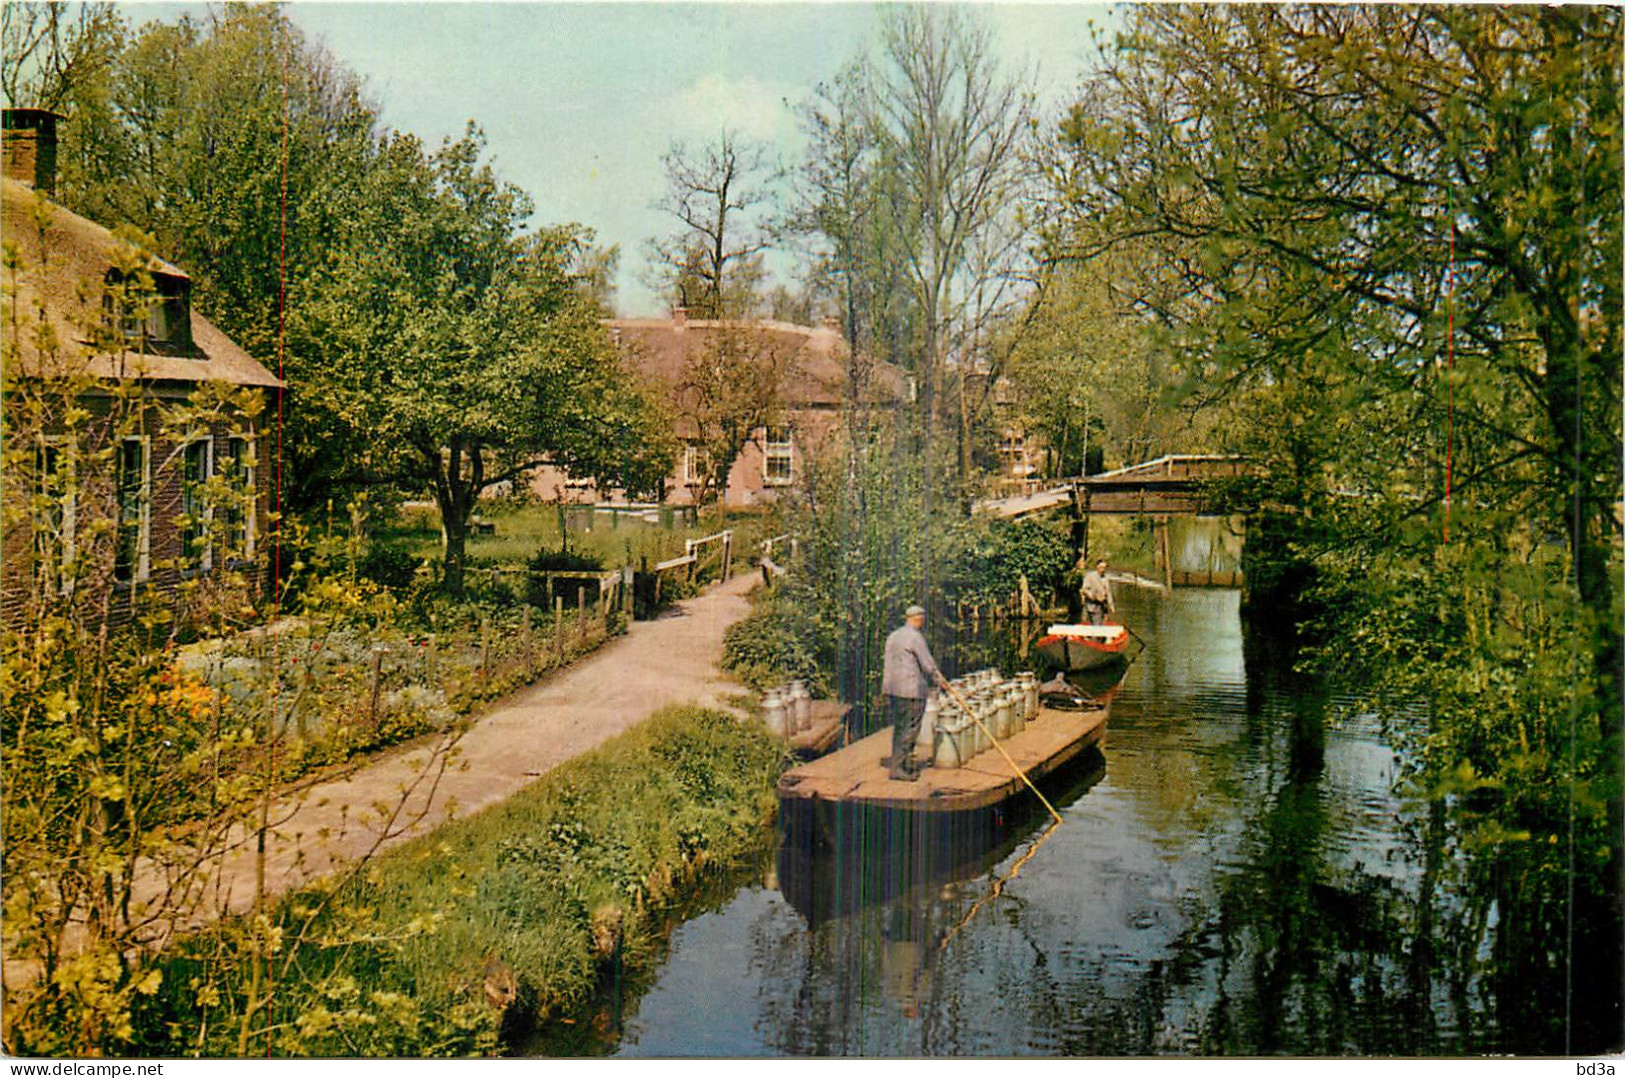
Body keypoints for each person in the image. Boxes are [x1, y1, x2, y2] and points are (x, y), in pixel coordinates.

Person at [881, 604, 948, 781]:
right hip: (911, 690)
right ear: (918, 618)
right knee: (910, 728)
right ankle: (898, 769)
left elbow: (887, 664)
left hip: (894, 690)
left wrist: (885, 689)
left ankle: (900, 764)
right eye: (922, 619)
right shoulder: (915, 637)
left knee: (900, 727)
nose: (923, 622)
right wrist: (941, 681)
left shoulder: (893, 636)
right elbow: (927, 664)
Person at [1080, 557, 1114, 625]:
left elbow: (1108, 592)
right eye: (1101, 567)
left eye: (1104, 568)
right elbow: (1084, 589)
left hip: (1102, 606)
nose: (1103, 570)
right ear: (1097, 567)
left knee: (1100, 624)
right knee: (1092, 624)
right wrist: (1095, 597)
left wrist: (1111, 605)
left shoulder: (1106, 578)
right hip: (1091, 605)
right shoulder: (1090, 576)